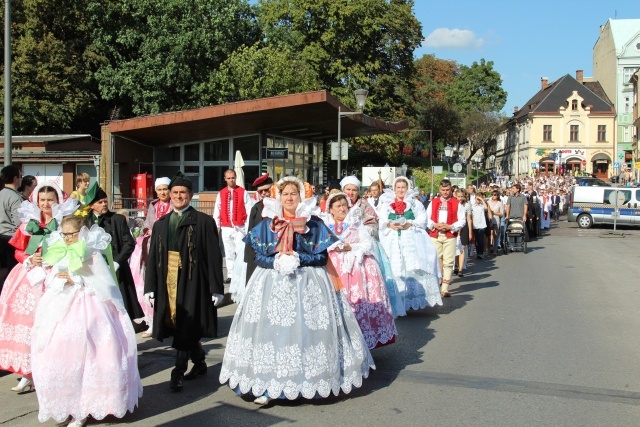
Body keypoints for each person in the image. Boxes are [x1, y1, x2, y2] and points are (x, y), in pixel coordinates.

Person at [220, 177, 375, 405]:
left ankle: (309, 381)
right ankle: (268, 384)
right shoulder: (268, 223)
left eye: (294, 194)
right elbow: (257, 256)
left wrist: (299, 257)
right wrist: (275, 262)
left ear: (301, 197)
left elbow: (322, 256)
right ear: (278, 197)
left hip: (309, 284)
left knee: (307, 333)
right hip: (271, 284)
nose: (289, 198)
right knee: (271, 333)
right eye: (285, 194)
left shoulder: (313, 224)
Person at [31, 216, 142, 427]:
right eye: (64, 234)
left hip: (88, 307)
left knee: (88, 355)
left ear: (81, 233)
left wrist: (78, 280)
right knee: (59, 356)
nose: (67, 238)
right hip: (61, 305)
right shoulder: (60, 250)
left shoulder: (90, 253)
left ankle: (83, 408)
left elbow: (105, 284)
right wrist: (57, 279)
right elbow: (52, 276)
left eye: (71, 234)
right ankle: (67, 403)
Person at [144, 172, 224, 392]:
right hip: (167, 280)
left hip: (193, 280)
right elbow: (152, 258)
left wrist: (216, 288)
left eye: (183, 193)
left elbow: (214, 256)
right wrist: (150, 286)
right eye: (175, 193)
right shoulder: (161, 224)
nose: (179, 196)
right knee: (179, 325)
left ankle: (177, 372)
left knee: (185, 326)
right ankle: (199, 363)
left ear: (190, 195)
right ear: (169, 195)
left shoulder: (204, 222)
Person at [0, 182, 77, 393]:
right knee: (26, 322)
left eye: (50, 199)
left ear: (58, 200)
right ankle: (27, 371)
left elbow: (75, 247)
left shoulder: (64, 223)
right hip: (30, 276)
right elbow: (18, 250)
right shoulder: (29, 223)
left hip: (55, 276)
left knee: (51, 325)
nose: (45, 204)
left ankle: (50, 370)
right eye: (42, 200)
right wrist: (28, 258)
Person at [321, 192, 397, 349]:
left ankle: (362, 340)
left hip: (357, 268)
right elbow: (320, 245)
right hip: (333, 268)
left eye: (344, 205)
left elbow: (368, 243)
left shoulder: (356, 223)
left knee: (360, 304)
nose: (342, 209)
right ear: (331, 210)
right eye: (338, 206)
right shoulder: (324, 225)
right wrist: (334, 247)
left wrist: (351, 247)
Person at [379, 176, 442, 309]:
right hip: (392, 240)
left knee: (411, 266)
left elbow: (423, 220)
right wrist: (389, 225)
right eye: (398, 187)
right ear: (394, 189)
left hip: (411, 239)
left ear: (408, 189)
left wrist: (409, 224)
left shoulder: (415, 204)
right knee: (395, 267)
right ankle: (397, 301)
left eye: (403, 187)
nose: (401, 190)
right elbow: (381, 220)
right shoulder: (386, 204)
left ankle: (411, 300)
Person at [84, 182, 143, 320]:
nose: (104, 204)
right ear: (92, 205)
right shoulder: (84, 222)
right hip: (93, 270)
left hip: (117, 269)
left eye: (105, 201)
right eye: (100, 202)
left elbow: (129, 243)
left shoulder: (117, 219)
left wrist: (117, 262)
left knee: (120, 306)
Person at [130, 177, 172, 338]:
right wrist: (148, 231)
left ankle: (167, 322)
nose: (162, 192)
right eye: (159, 189)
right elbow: (148, 224)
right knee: (151, 285)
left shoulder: (173, 205)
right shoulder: (153, 205)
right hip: (152, 249)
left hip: (169, 250)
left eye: (165, 189)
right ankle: (152, 321)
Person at [425, 179, 467, 298]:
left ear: (451, 189)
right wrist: (434, 225)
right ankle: (437, 284)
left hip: (450, 235)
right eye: (443, 190)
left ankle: (445, 288)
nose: (445, 192)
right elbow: (427, 217)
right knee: (435, 260)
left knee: (448, 261)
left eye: (447, 190)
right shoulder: (433, 202)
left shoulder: (456, 203)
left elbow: (462, 220)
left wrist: (451, 226)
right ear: (439, 189)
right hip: (435, 234)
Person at [213, 169, 253, 284]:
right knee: (229, 252)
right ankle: (230, 274)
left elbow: (249, 210)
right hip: (226, 227)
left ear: (236, 178)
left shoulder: (243, 192)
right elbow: (217, 211)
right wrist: (216, 227)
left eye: (233, 178)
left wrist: (247, 227)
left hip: (240, 227)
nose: (231, 180)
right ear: (225, 179)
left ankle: (240, 273)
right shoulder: (221, 193)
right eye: (229, 178)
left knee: (240, 251)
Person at [242, 173, 274, 291]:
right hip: (259, 251)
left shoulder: (280, 206)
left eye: (267, 190)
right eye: (261, 191)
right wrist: (249, 256)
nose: (264, 193)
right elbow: (251, 231)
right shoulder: (256, 208)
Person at [0, 165, 23, 290]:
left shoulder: (1, 194)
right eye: (20, 176)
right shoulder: (14, 197)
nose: (21, 179)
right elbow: (20, 223)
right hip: (10, 238)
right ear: (15, 178)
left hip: (0, 236)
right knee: (11, 273)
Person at [453, 190, 472, 277]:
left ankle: (460, 269)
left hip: (464, 227)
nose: (460, 198)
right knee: (455, 248)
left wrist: (470, 232)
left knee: (462, 248)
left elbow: (469, 219)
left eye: (462, 196)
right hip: (455, 227)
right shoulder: (453, 203)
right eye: (458, 196)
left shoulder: (467, 205)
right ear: (455, 196)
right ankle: (456, 265)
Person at [470, 193, 491, 259]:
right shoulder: (472, 206)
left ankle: (480, 253)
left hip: (482, 225)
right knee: (476, 240)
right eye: (477, 199)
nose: (478, 200)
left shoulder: (482, 206)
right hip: (475, 225)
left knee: (481, 239)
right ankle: (478, 252)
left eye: (479, 199)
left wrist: (481, 199)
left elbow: (486, 208)